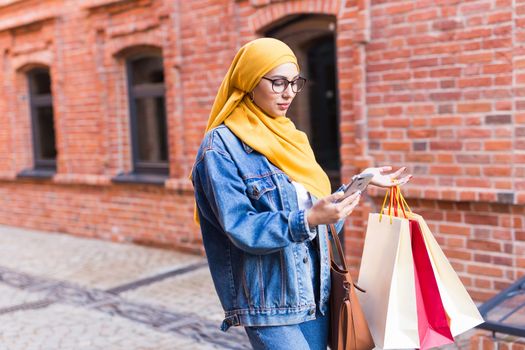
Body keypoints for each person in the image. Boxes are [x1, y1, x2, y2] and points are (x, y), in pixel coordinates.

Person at [190, 38, 411, 350]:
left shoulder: (291, 137)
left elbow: (317, 220)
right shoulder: (221, 147)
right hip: (271, 304)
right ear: (249, 80)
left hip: (315, 296)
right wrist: (307, 219)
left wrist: (357, 185)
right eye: (278, 82)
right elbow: (242, 228)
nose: (289, 92)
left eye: (295, 82)